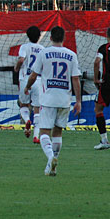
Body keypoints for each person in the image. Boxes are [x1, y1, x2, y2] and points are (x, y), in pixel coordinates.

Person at [24, 26, 82, 176]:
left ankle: (51, 158)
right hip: (64, 99)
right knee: (58, 132)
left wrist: (27, 87)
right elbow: (75, 79)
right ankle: (53, 162)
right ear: (64, 38)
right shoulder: (72, 55)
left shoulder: (44, 53)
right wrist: (79, 101)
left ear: (50, 38)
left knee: (44, 131)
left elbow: (33, 75)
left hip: (48, 99)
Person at [13, 26, 44, 143]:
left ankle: (26, 120)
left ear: (28, 35)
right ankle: (36, 136)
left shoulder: (24, 47)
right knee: (37, 109)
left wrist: (16, 68)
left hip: (25, 78)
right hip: (38, 79)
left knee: (23, 104)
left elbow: (21, 60)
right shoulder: (42, 48)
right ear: (39, 36)